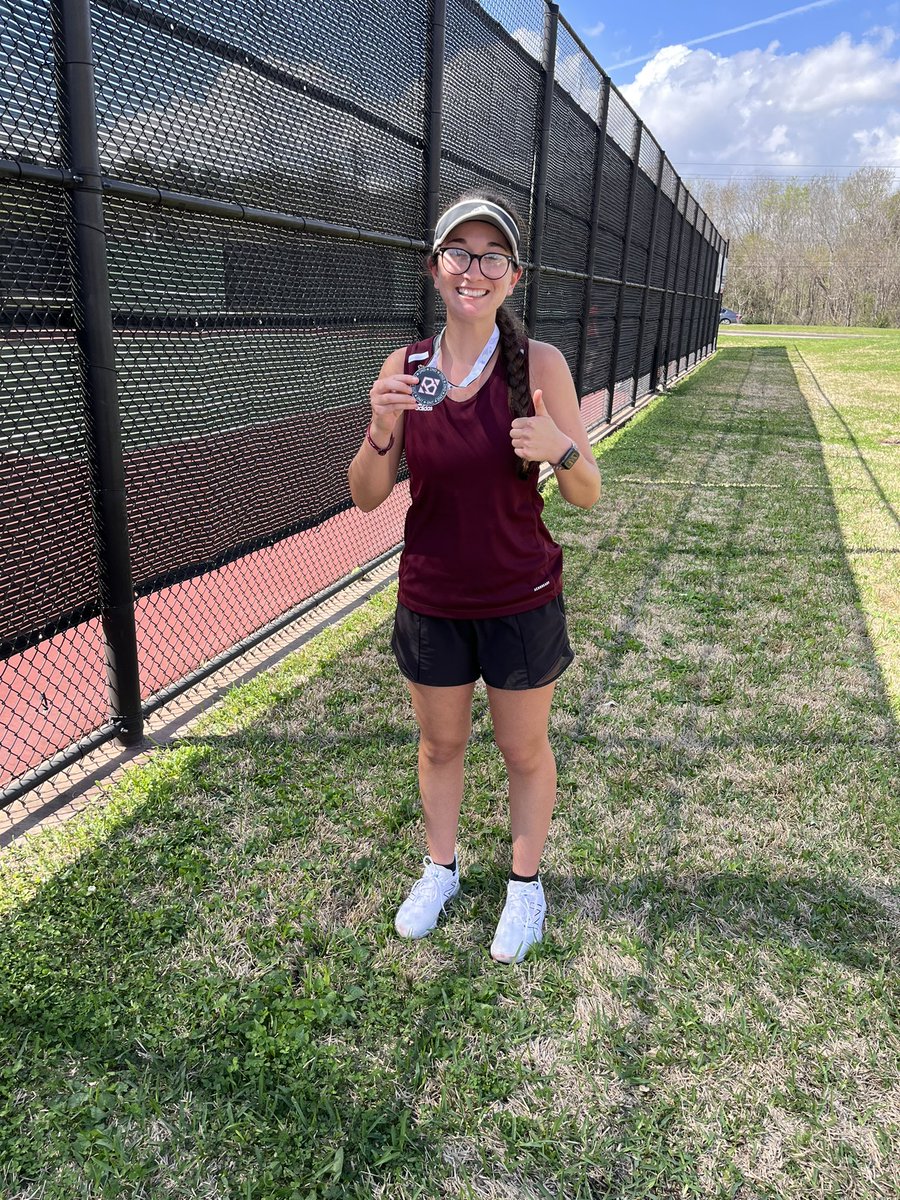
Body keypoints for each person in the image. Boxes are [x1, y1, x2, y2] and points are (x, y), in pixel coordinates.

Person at [348, 193, 601, 963]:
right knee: (440, 744)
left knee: (524, 751)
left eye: (493, 255)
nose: (474, 268)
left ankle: (526, 885)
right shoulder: (407, 367)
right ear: (434, 268)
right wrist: (380, 427)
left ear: (513, 277)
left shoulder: (543, 366)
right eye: (459, 251)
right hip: (432, 599)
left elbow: (589, 492)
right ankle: (441, 868)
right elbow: (364, 495)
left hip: (521, 597)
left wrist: (558, 446)